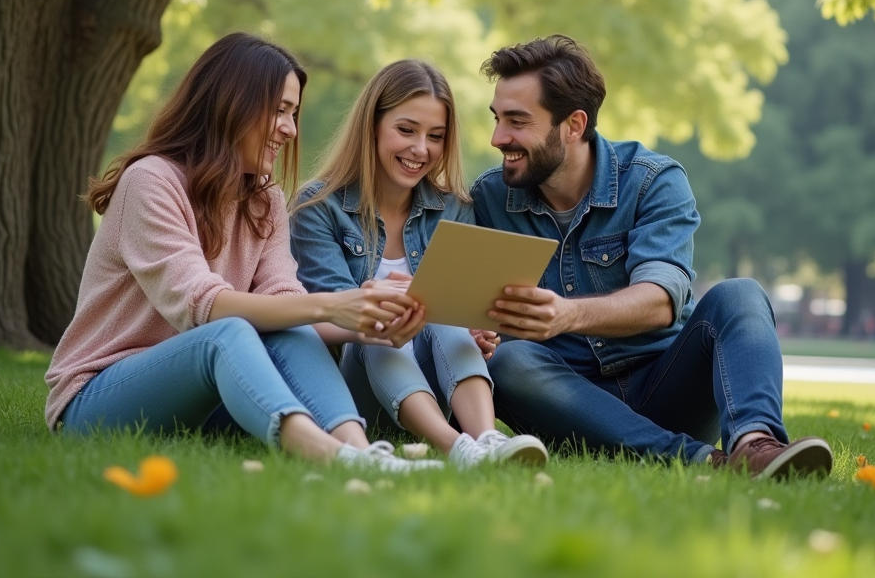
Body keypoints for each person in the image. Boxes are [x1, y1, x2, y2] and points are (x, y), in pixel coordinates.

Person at [44, 33, 440, 473]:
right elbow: (202, 306)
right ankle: (325, 455)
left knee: (292, 327)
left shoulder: (264, 198)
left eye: (294, 113)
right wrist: (332, 303)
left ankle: (359, 451)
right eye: (280, 111)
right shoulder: (151, 181)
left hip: (203, 396)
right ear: (231, 104)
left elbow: (284, 301)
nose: (290, 129)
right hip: (100, 398)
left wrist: (369, 318)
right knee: (229, 331)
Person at [470, 34, 833, 479]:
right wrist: (474, 333)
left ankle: (755, 445)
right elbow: (465, 311)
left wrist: (566, 315)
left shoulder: (651, 181)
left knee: (741, 295)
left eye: (516, 121)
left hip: (668, 387)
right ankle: (704, 461)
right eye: (497, 118)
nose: (497, 137)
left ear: (574, 124)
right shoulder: (487, 198)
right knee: (509, 361)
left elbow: (662, 300)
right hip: (570, 404)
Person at [290, 59, 548, 468]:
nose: (420, 149)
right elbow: (331, 316)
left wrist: (478, 330)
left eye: (436, 136)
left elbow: (462, 314)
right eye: (406, 130)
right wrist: (390, 315)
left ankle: (485, 440)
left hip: (436, 389)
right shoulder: (319, 208)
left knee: (442, 310)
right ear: (371, 125)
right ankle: (456, 449)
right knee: (374, 328)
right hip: (357, 399)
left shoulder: (453, 208)